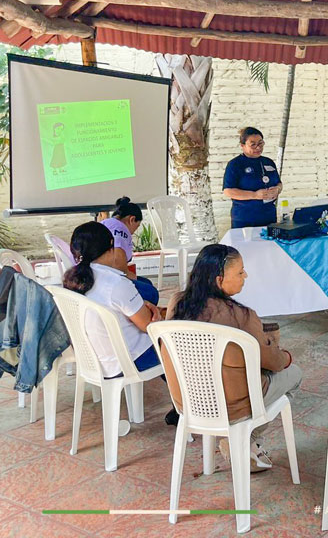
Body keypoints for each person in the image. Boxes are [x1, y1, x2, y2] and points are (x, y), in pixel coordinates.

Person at [163, 244, 300, 472]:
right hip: (233, 406)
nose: (245, 276)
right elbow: (274, 362)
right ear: (219, 280)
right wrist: (284, 355)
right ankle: (246, 439)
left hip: (189, 400)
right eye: (240, 272)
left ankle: (243, 444)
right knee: (294, 374)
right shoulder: (242, 316)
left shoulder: (177, 303)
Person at [63, 222, 175, 420]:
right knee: (177, 344)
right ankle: (188, 405)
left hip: (93, 359)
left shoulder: (71, 280)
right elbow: (147, 326)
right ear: (111, 246)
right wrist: (155, 315)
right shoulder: (116, 283)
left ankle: (181, 404)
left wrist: (140, 306)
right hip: (124, 362)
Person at [100, 196, 159, 305]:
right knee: (151, 293)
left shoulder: (106, 223)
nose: (133, 232)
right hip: (106, 281)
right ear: (132, 219)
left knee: (146, 282)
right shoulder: (120, 229)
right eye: (137, 226)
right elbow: (117, 264)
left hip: (97, 276)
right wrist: (130, 276)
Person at [223, 127, 283, 229]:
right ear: (242, 145)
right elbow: (228, 191)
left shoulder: (268, 162)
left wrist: (277, 189)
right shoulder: (235, 164)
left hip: (269, 216)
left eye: (260, 143)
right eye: (253, 145)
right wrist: (254, 195)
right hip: (245, 218)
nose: (258, 148)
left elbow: (279, 183)